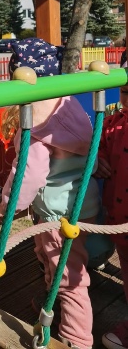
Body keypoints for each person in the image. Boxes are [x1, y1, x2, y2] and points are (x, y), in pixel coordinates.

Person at [0, 38, 100, 349]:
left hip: (56, 215)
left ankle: (78, 339)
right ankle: (53, 303)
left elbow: (30, 174)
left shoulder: (36, 127)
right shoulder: (71, 109)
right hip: (82, 203)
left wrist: (8, 206)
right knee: (55, 261)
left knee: (70, 279)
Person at [96, 67, 128, 349]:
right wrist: (98, 160)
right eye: (125, 91)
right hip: (119, 214)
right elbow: (100, 148)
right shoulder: (112, 123)